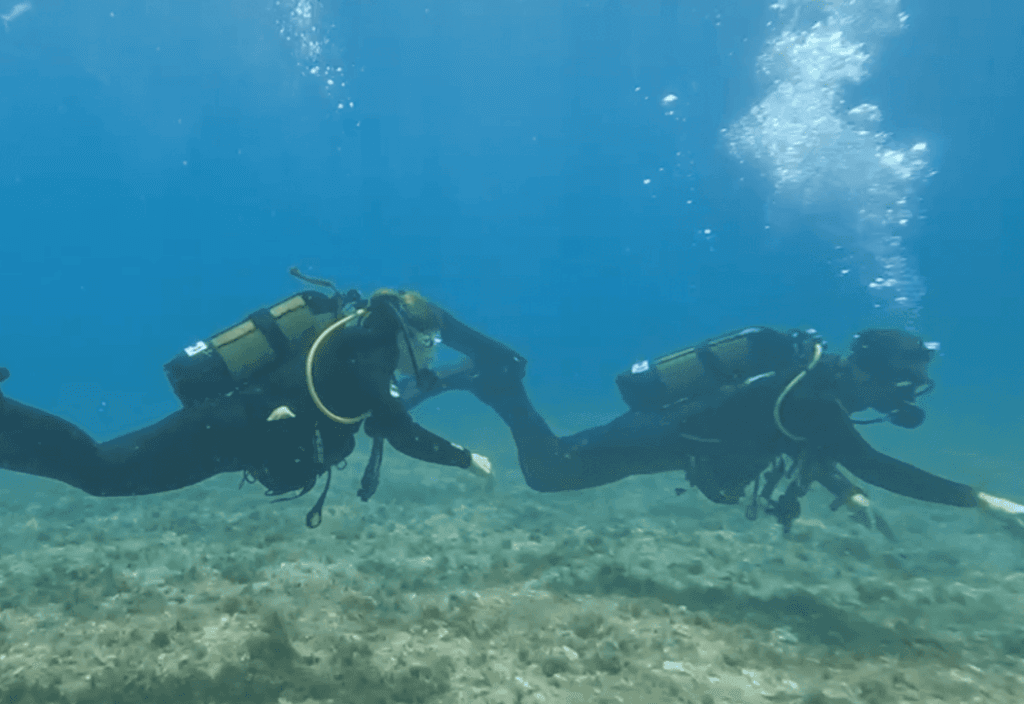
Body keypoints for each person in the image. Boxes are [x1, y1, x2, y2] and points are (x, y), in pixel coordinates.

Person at [0, 268, 519, 528]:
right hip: (227, 430)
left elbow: (387, 410)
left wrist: (453, 377)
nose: (430, 355)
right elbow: (399, 430)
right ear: (407, 333)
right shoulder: (370, 354)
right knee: (102, 470)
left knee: (102, 476)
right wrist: (464, 458)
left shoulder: (362, 347)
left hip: (231, 437)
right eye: (429, 344)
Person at [408, 326, 1024, 537]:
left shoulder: (818, 390)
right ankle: (500, 379)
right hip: (662, 434)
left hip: (673, 440)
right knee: (547, 473)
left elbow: (807, 442)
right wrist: (978, 499)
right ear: (868, 372)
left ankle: (493, 382)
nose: (897, 403)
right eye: (897, 390)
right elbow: (872, 462)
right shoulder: (814, 395)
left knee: (552, 471)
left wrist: (847, 493)